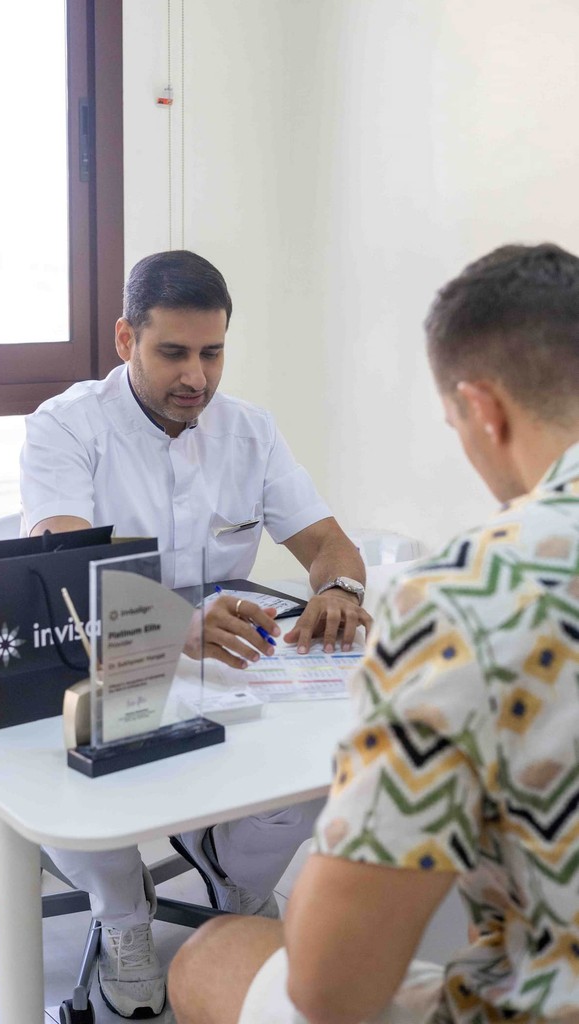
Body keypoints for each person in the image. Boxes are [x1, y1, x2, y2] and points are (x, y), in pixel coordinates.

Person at [168, 241, 579, 1024]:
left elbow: (329, 988)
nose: (196, 374)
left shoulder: (467, 596)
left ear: (481, 411)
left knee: (217, 953)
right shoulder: (68, 426)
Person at [20, 249, 368, 1018]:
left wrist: (339, 589)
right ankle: (124, 918)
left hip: (222, 662)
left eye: (211, 353)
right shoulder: (65, 427)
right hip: (96, 656)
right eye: (172, 352)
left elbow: (329, 545)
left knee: (331, 748)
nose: (197, 377)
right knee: (60, 763)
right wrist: (174, 622)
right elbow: (70, 568)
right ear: (124, 340)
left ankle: (233, 876)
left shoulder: (248, 430)